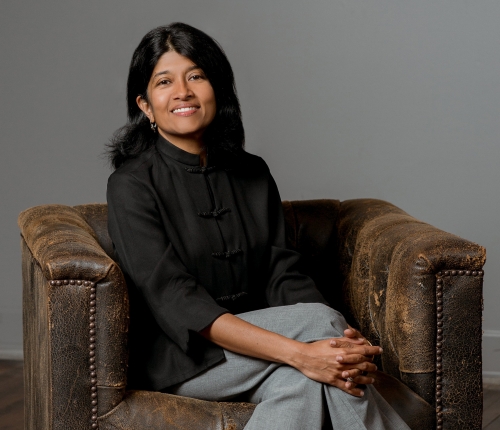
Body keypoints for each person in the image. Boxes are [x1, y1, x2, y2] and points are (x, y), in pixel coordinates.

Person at [106, 22, 410, 430]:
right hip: (185, 356)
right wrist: (306, 347)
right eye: (165, 81)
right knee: (319, 334)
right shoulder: (130, 185)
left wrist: (325, 348)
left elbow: (282, 269)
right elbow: (174, 298)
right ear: (145, 105)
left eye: (197, 75)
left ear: (218, 88)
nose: (183, 92)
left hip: (264, 346)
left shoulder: (252, 172)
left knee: (301, 382)